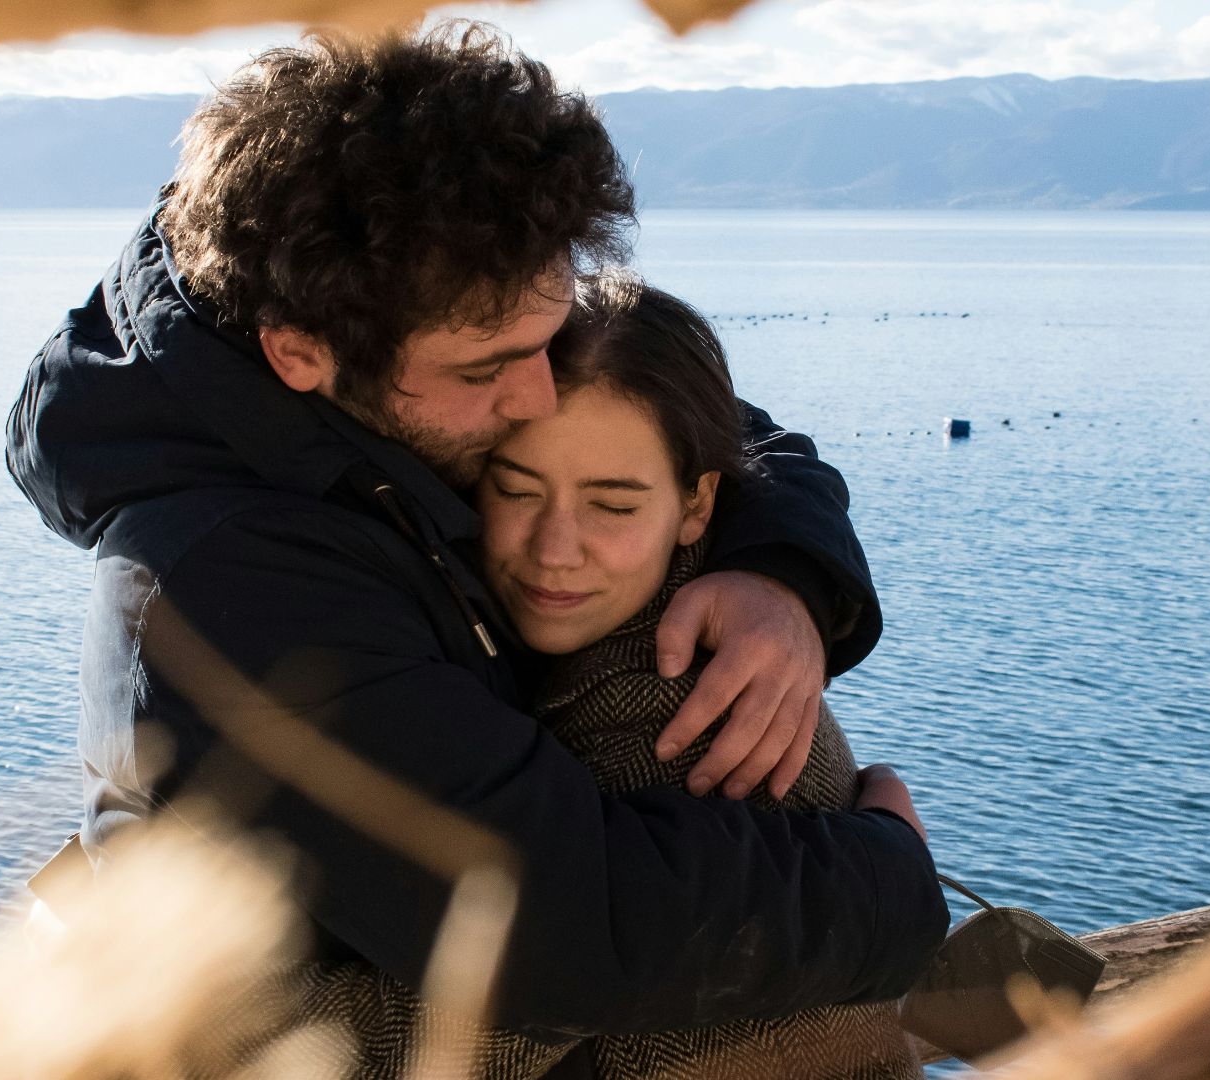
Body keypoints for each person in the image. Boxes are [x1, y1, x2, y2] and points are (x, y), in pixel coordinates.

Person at [4, 22, 946, 1042]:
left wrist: (785, 575)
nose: (540, 393)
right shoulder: (233, 579)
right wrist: (888, 876)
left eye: (549, 340)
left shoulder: (423, 316)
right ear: (300, 354)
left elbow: (701, 429)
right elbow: (559, 931)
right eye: (489, 369)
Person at [282, 274, 926, 1078]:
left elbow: (495, 1011)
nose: (555, 550)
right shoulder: (644, 615)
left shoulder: (675, 718)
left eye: (612, 506)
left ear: (697, 504)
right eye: (515, 488)